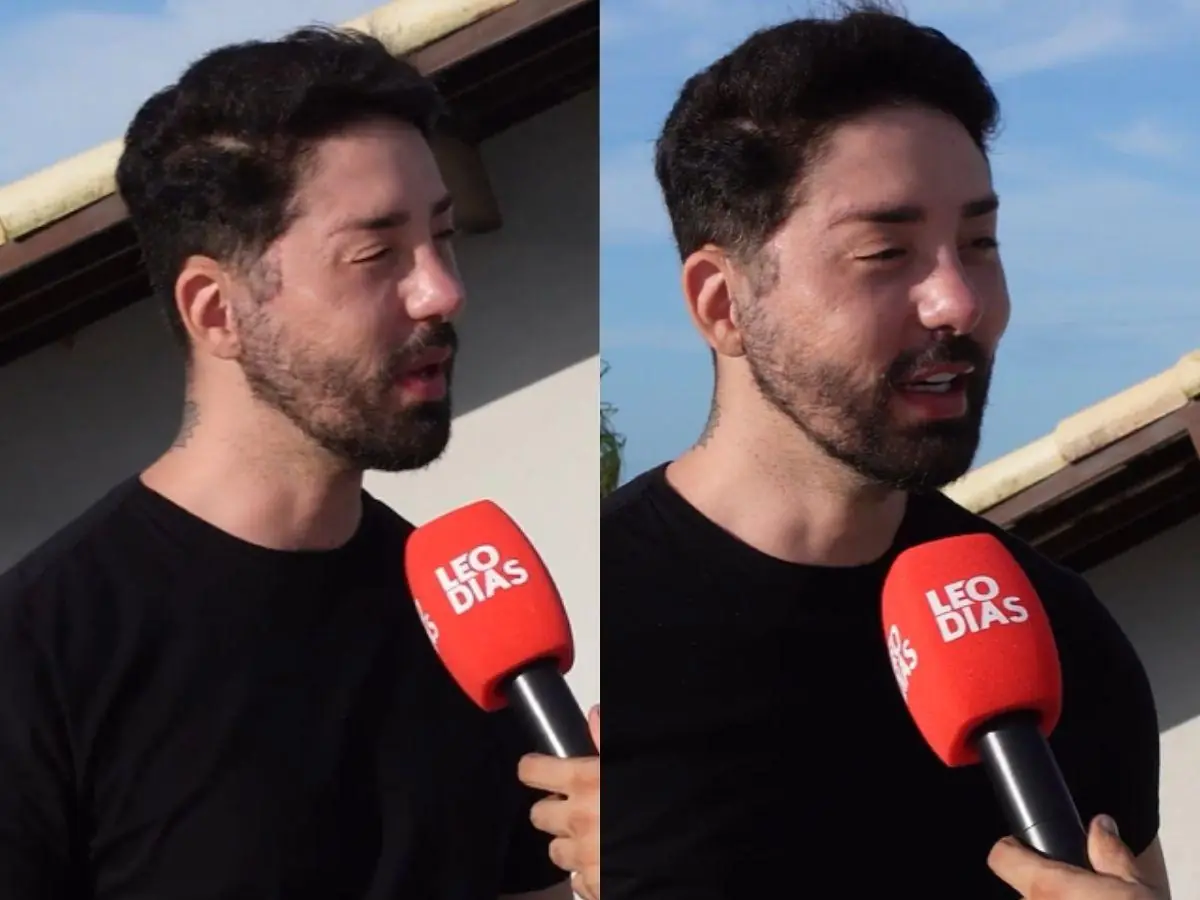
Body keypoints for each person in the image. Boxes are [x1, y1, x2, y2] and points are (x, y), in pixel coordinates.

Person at [597, 4, 1171, 899]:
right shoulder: (587, 635)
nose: (958, 302)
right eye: (885, 252)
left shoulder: (1059, 634)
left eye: (979, 244)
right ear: (721, 303)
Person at [0, 26, 573, 899]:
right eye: (376, 254)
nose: (443, 291)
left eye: (443, 236)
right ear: (216, 309)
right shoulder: (37, 655)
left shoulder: (465, 611)